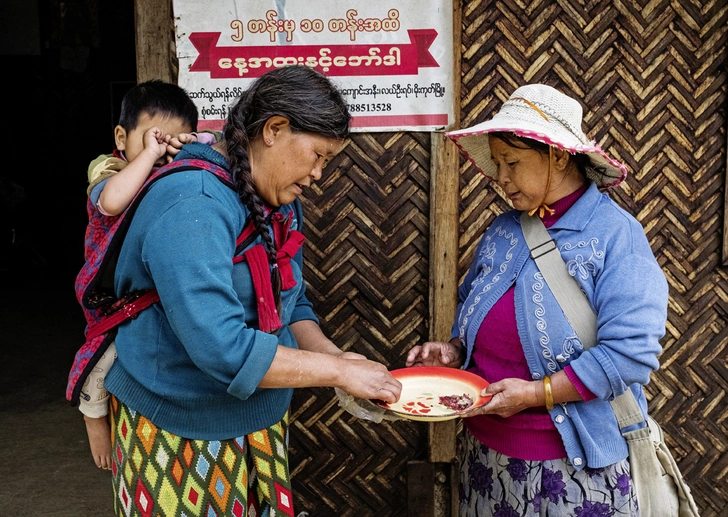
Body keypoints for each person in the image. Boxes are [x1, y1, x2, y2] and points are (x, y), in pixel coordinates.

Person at [101, 65, 402, 517]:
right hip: (176, 430)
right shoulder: (192, 203)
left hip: (257, 423)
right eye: (317, 155)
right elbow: (223, 349)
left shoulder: (279, 201)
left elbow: (291, 301)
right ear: (274, 130)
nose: (319, 173)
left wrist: (336, 357)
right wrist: (335, 373)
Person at [406, 84, 668, 516]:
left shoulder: (616, 236)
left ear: (558, 156)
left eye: (512, 163)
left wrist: (534, 394)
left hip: (574, 469)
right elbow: (474, 305)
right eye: (497, 164)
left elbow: (630, 356)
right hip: (485, 460)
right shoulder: (504, 230)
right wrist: (453, 350)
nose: (500, 177)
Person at [77, 79, 218, 471]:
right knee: (101, 359)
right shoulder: (109, 169)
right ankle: (93, 416)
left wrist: (188, 146)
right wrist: (152, 154)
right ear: (121, 137)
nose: (160, 151)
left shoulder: (180, 169)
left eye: (171, 141)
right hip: (110, 289)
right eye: (151, 138)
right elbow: (112, 202)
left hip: (152, 284)